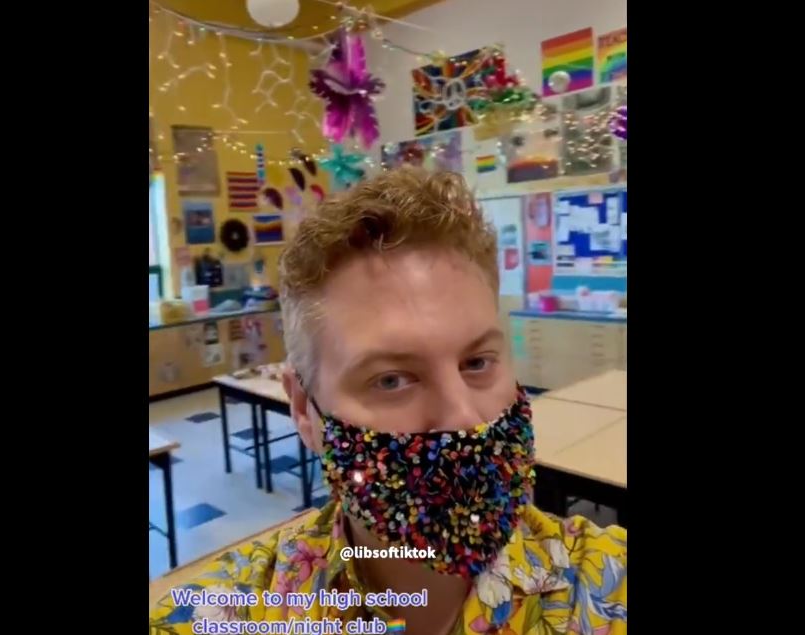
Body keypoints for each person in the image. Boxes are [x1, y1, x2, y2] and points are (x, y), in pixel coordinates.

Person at [150, 168, 627, 635]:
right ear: (303, 411)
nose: (464, 417)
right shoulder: (226, 614)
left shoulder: (606, 584)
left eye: (476, 362)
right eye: (392, 380)